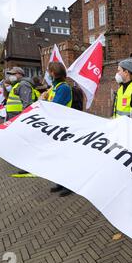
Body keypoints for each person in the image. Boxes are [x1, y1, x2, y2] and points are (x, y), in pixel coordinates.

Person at [41, 62, 75, 198]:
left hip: (63, 127)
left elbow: (54, 107)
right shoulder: (54, 87)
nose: (48, 74)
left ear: (53, 74)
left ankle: (69, 184)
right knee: (58, 157)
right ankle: (60, 182)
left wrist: (43, 101)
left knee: (65, 157)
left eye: (49, 71)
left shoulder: (64, 88)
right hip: (55, 127)